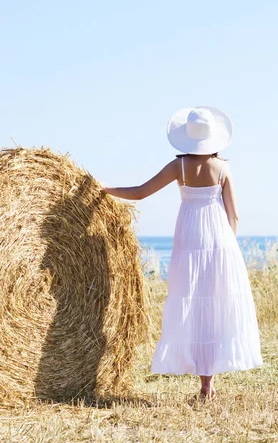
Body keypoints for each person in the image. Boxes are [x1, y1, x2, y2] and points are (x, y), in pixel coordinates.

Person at [102, 106, 263, 402]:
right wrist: (229, 247)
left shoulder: (180, 166)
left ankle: (203, 383)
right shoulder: (224, 168)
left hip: (189, 236)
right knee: (215, 304)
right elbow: (235, 215)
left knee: (190, 299)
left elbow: (140, 192)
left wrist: (106, 189)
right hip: (219, 238)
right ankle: (207, 385)